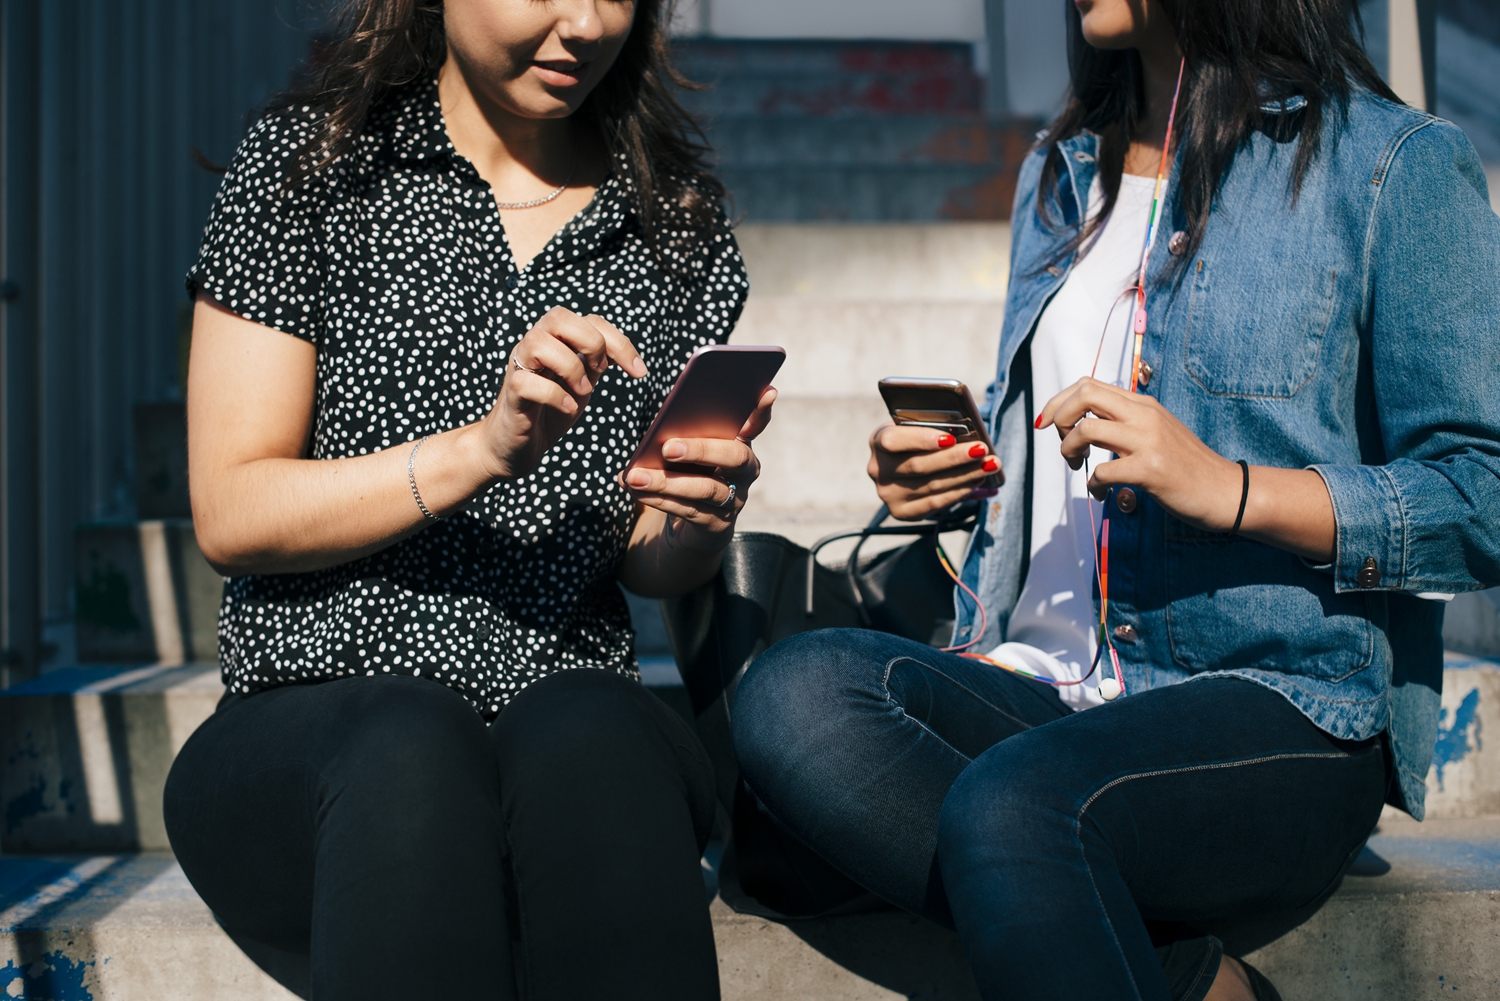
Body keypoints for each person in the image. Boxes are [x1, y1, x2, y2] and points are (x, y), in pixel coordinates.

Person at [731, 0, 1500, 998]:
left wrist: (1228, 488)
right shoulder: (1060, 174)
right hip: (1048, 690)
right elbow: (1071, 480)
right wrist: (961, 482)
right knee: (793, 695)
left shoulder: (1391, 165)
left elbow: (1479, 496)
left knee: (1010, 807)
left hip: (1277, 703)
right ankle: (1184, 977)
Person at [163, 2, 769, 999]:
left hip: (566, 746)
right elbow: (233, 510)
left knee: (598, 724)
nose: (584, 22)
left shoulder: (675, 219)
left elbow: (647, 556)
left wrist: (698, 516)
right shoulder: (308, 169)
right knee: (409, 740)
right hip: (315, 743)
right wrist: (484, 449)